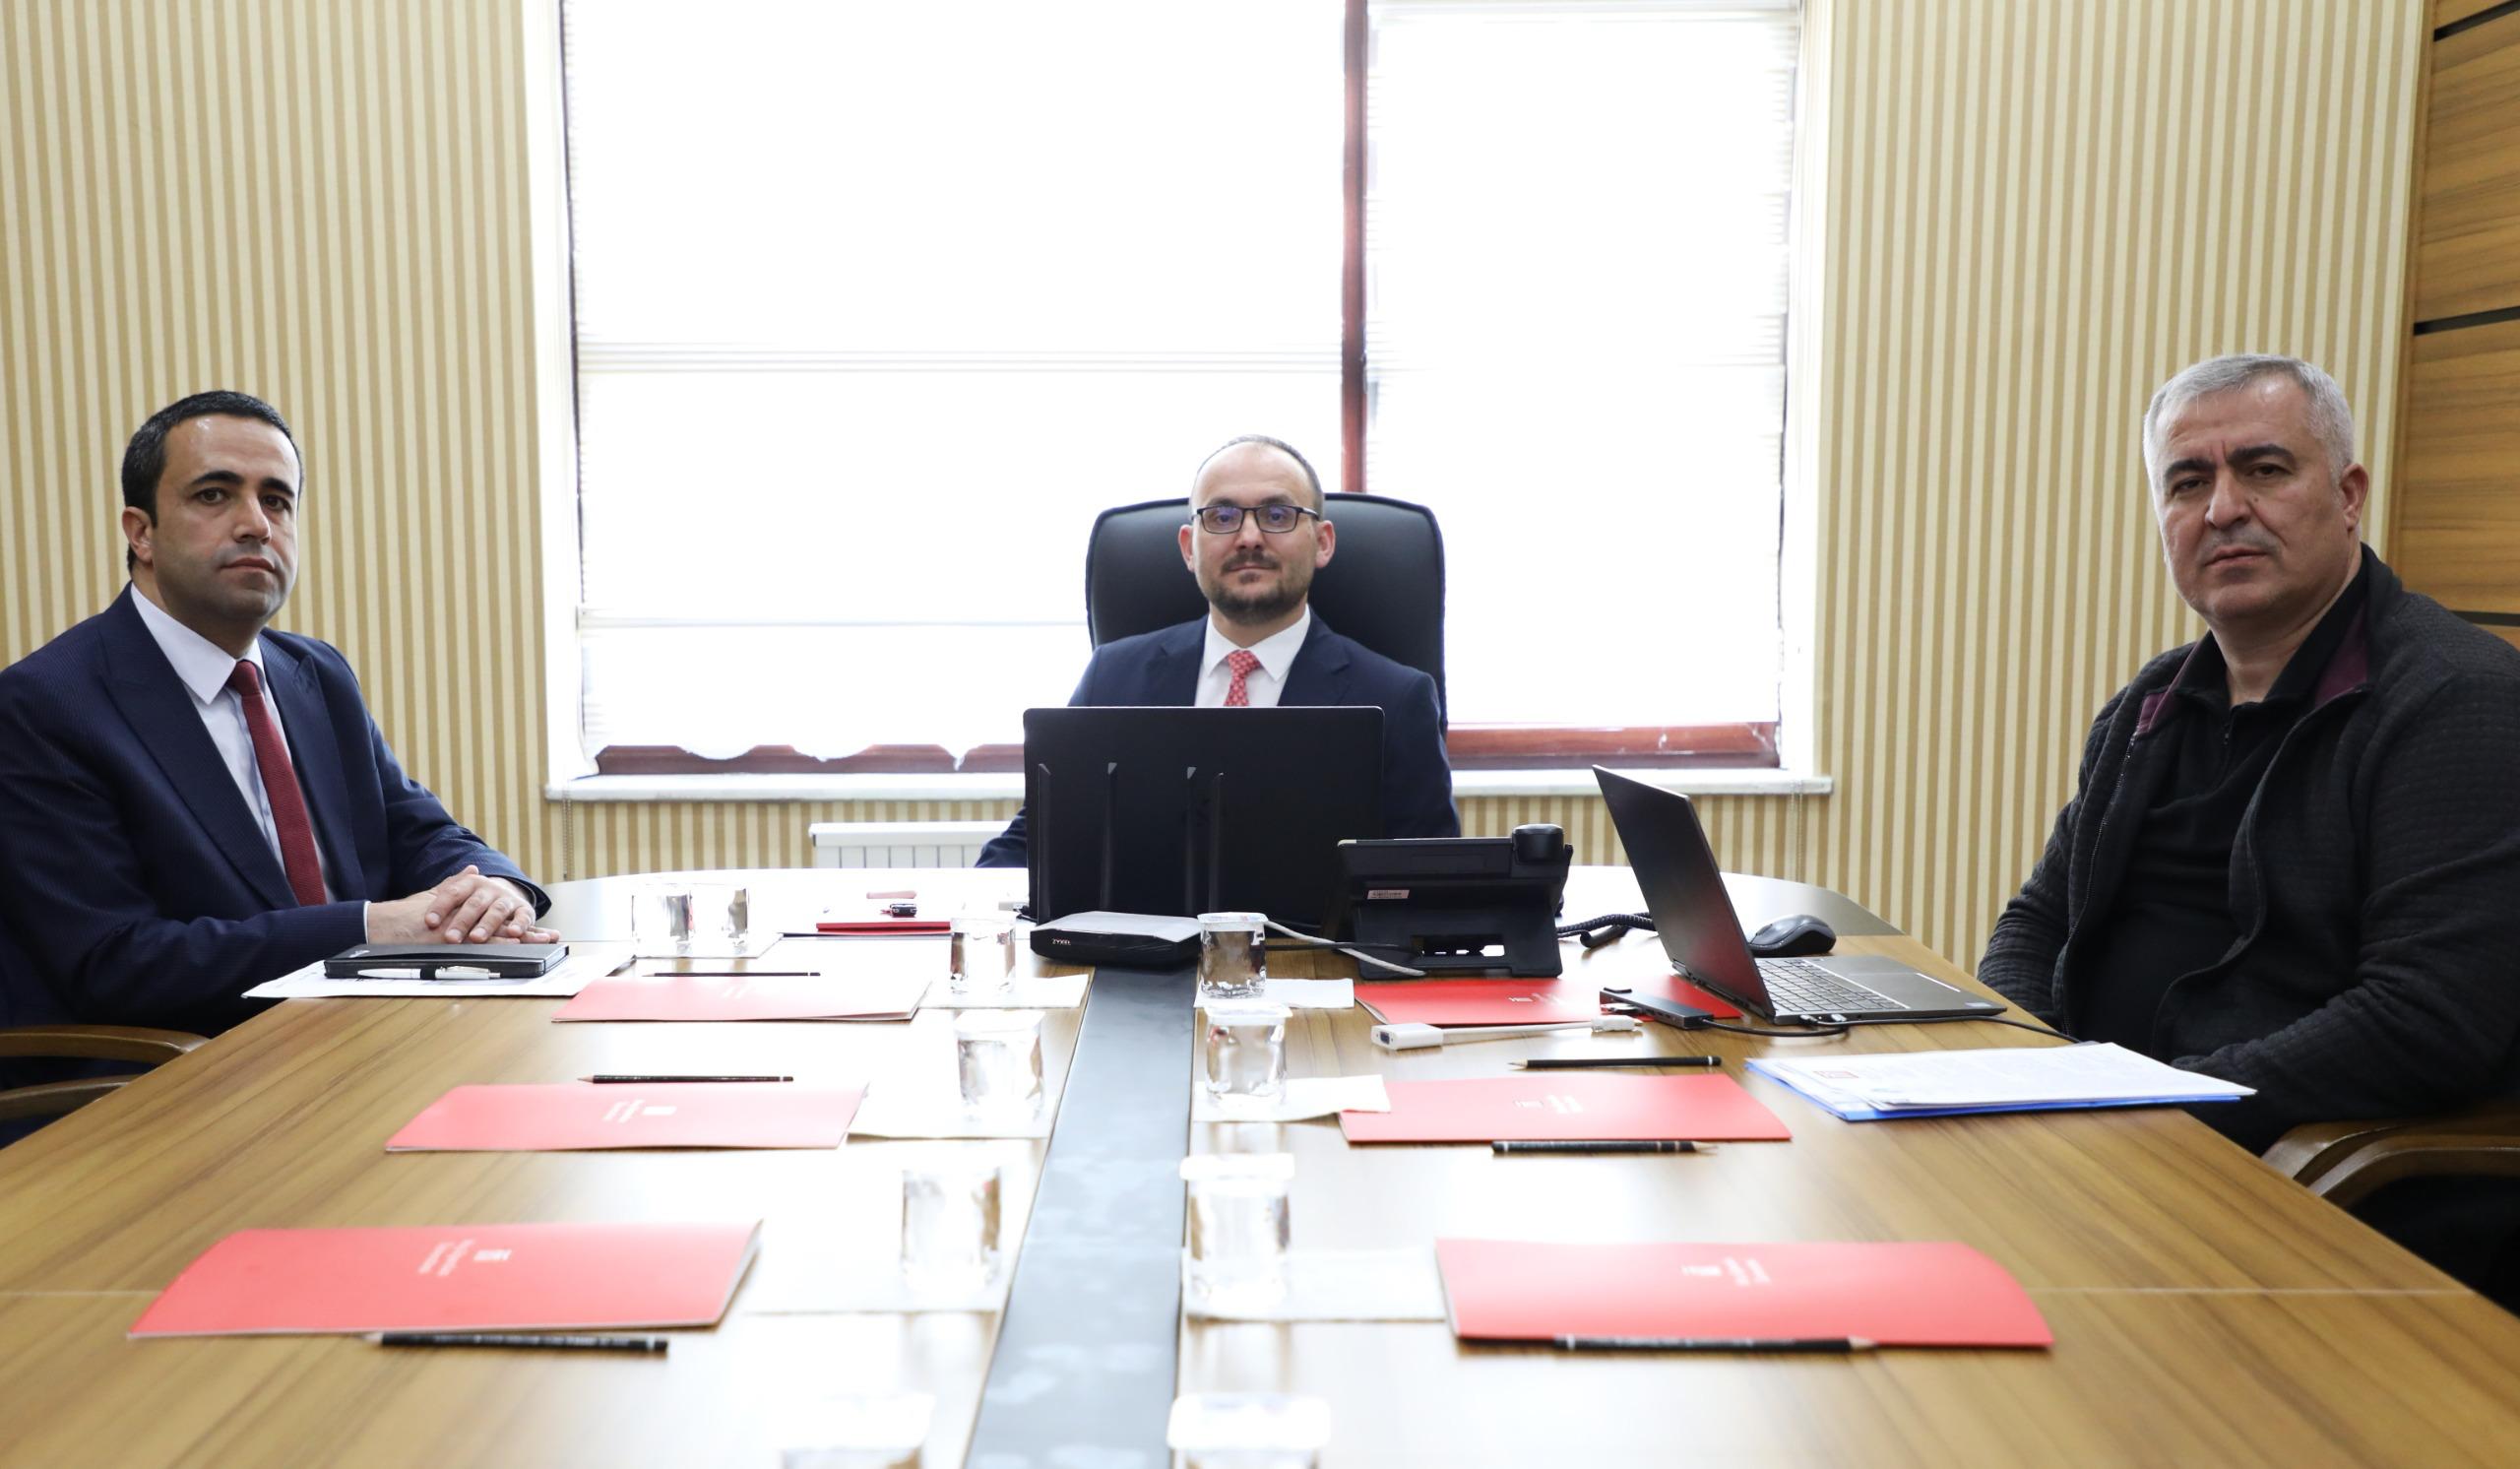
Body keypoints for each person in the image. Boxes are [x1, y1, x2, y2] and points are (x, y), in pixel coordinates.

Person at [1979, 353, 2520, 1294]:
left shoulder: (2458, 702)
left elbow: (2426, 1020)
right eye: (2188, 483)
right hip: (2115, 1154)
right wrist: (2018, 1073)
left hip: (2306, 1194)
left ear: (2348, 495)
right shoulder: (2151, 702)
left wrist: (2153, 1109)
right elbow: (2037, 922)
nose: (2223, 508)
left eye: (2264, 470)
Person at [0, 391, 555, 1042]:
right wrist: (368, 928)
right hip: (187, 1065)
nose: (256, 525)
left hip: (361, 1033)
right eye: (214, 495)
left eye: (276, 500)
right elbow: (115, 961)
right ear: (141, 533)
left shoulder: (314, 672)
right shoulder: (45, 704)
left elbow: (418, 832)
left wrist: (496, 888)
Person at [977, 434, 1459, 867]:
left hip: (1317, 941)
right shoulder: (1113, 677)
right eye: (1222, 517)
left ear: (1322, 542)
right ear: (1189, 548)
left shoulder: (1397, 700)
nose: (1249, 538)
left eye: (1277, 515)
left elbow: (1432, 886)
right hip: (1139, 939)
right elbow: (1032, 843)